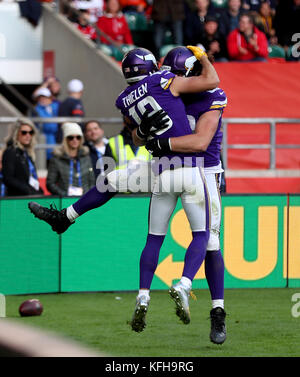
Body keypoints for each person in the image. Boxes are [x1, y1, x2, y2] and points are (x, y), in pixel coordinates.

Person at [28, 46, 220, 338]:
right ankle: (183, 283)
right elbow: (211, 81)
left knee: (135, 212)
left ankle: (141, 292)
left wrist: (148, 135)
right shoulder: (166, 81)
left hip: (160, 170)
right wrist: (203, 55)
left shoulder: (123, 99)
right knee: (203, 236)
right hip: (191, 169)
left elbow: (139, 132)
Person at [147, 46, 227, 343]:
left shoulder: (211, 95)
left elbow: (201, 141)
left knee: (211, 241)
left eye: (180, 74)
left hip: (204, 171)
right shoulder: (167, 90)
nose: (174, 79)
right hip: (168, 168)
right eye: (173, 74)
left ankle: (217, 312)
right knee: (113, 181)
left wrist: (163, 145)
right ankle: (68, 214)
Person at [46, 122, 95, 196]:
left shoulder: (86, 157)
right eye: (71, 137)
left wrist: (88, 196)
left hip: (85, 200)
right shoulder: (56, 159)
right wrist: (64, 195)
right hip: (65, 201)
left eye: (78, 137)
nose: (75, 140)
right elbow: (50, 183)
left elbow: (91, 181)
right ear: (65, 139)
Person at [2, 118, 44, 196]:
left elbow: (30, 177)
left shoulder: (27, 153)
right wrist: (28, 190)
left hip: (28, 196)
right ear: (16, 133)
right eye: (24, 132)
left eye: (30, 132)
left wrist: (38, 190)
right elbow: (8, 178)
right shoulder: (10, 152)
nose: (28, 135)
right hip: (17, 199)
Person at [32, 87, 59, 161]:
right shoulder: (36, 110)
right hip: (44, 142)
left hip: (55, 142)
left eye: (45, 97)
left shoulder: (54, 106)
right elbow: (49, 126)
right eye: (40, 97)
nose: (43, 99)